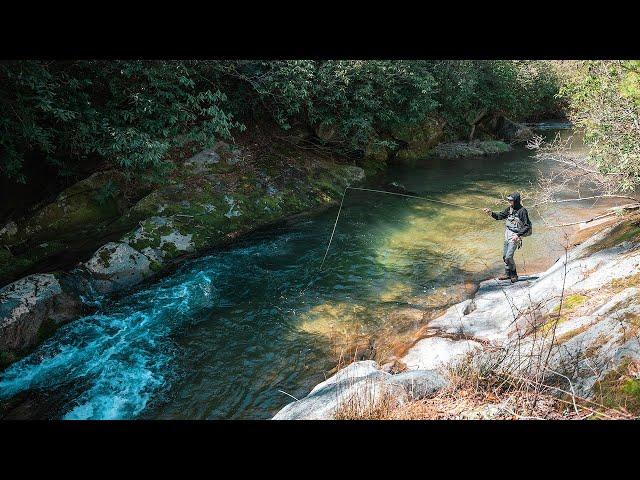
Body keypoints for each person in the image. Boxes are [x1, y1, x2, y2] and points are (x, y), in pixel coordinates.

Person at [483, 192, 531, 283]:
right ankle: (507, 274)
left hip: (515, 236)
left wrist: (518, 235)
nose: (509, 201)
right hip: (507, 234)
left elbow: (527, 226)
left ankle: (514, 274)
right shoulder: (509, 209)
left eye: (511, 200)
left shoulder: (522, 211)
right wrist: (490, 213)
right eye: (508, 200)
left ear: (516, 201)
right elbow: (499, 216)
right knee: (505, 256)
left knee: (509, 257)